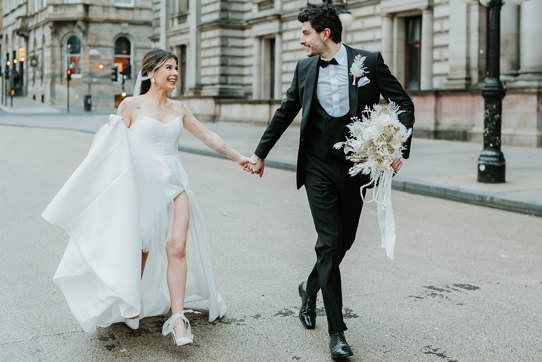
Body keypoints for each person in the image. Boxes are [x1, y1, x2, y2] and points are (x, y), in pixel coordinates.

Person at [42, 48, 253, 346]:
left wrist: (238, 157)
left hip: (176, 183)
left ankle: (178, 320)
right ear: (151, 72)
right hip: (141, 187)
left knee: (177, 248)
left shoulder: (179, 109)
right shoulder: (131, 106)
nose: (174, 72)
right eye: (168, 67)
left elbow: (208, 137)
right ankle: (131, 302)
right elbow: (109, 151)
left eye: (176, 67)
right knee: (138, 250)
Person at [244, 4, 414, 359]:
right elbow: (286, 111)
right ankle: (337, 332)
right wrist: (261, 154)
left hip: (356, 168)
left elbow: (403, 104)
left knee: (344, 241)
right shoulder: (305, 68)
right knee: (329, 241)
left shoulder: (368, 62)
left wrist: (398, 148)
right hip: (317, 166)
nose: (300, 39)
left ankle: (309, 288)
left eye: (305, 32)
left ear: (325, 33)